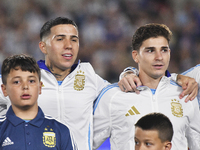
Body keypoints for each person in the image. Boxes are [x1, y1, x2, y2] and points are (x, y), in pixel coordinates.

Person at [0, 17, 141, 150]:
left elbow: (116, 93)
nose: (68, 46)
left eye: (74, 40)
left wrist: (128, 73)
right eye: (60, 39)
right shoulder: (25, 77)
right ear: (43, 47)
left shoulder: (88, 75)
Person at [93, 23, 200, 150]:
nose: (159, 57)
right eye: (150, 50)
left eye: (164, 50)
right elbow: (86, 143)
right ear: (135, 56)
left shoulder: (185, 94)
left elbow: (196, 144)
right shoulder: (112, 96)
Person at [0, 54, 77, 150]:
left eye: (31, 81)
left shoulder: (61, 131)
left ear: (40, 87)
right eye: (17, 82)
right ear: (4, 89)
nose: (25, 87)